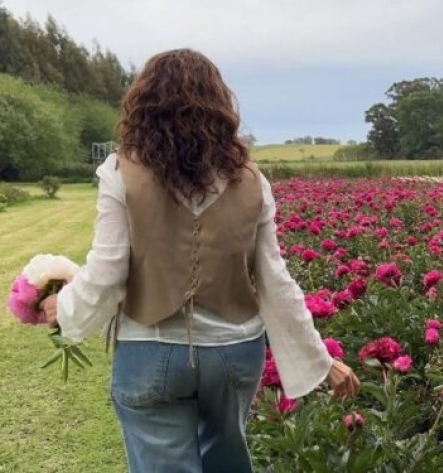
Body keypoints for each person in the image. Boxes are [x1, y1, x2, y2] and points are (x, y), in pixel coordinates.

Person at [39, 48, 359, 473]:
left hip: (149, 350)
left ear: (143, 106)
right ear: (219, 106)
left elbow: (107, 269)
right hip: (233, 353)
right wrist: (321, 359)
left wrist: (63, 310)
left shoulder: (120, 171)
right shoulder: (251, 180)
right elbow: (274, 279)